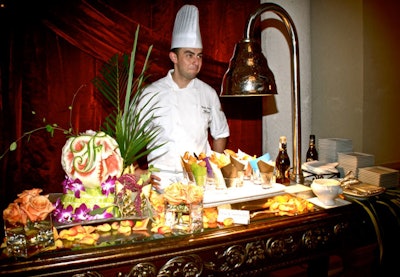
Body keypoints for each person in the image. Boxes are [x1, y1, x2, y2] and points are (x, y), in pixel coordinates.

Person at [137, 4, 230, 188]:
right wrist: (135, 170)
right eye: (189, 55)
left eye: (199, 56)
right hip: (161, 185)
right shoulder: (150, 94)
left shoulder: (208, 93)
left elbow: (220, 134)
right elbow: (128, 138)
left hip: (199, 184)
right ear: (174, 57)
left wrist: (213, 167)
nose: (196, 62)